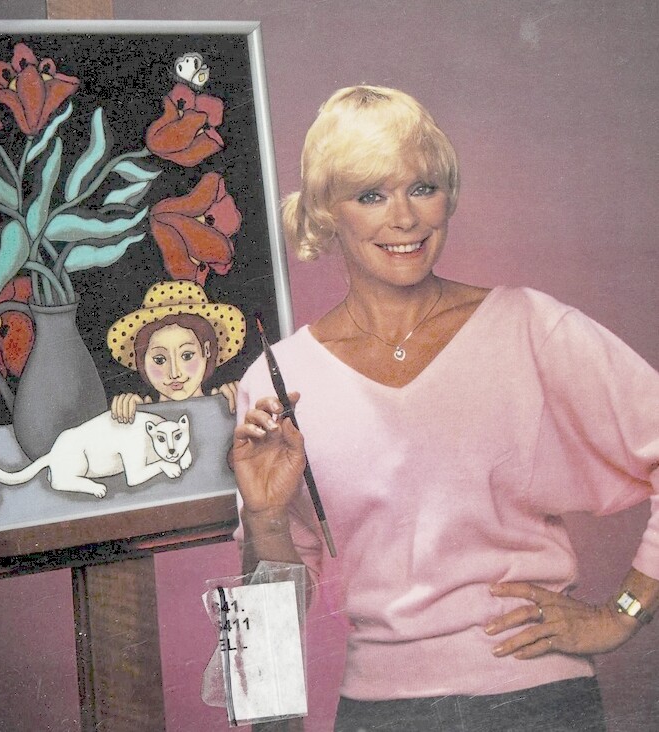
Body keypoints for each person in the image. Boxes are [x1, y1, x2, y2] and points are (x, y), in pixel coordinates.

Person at [230, 86, 659, 731]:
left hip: (539, 702)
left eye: (422, 188)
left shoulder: (528, 326)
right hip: (377, 714)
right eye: (371, 195)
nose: (404, 218)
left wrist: (622, 612)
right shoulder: (277, 381)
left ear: (448, 196)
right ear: (325, 212)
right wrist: (265, 518)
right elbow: (267, 641)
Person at [106, 280, 245, 422]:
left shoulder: (227, 401)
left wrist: (241, 400)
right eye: (159, 360)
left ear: (206, 350)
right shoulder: (138, 412)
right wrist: (126, 419)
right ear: (142, 359)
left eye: (187, 356)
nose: (174, 373)